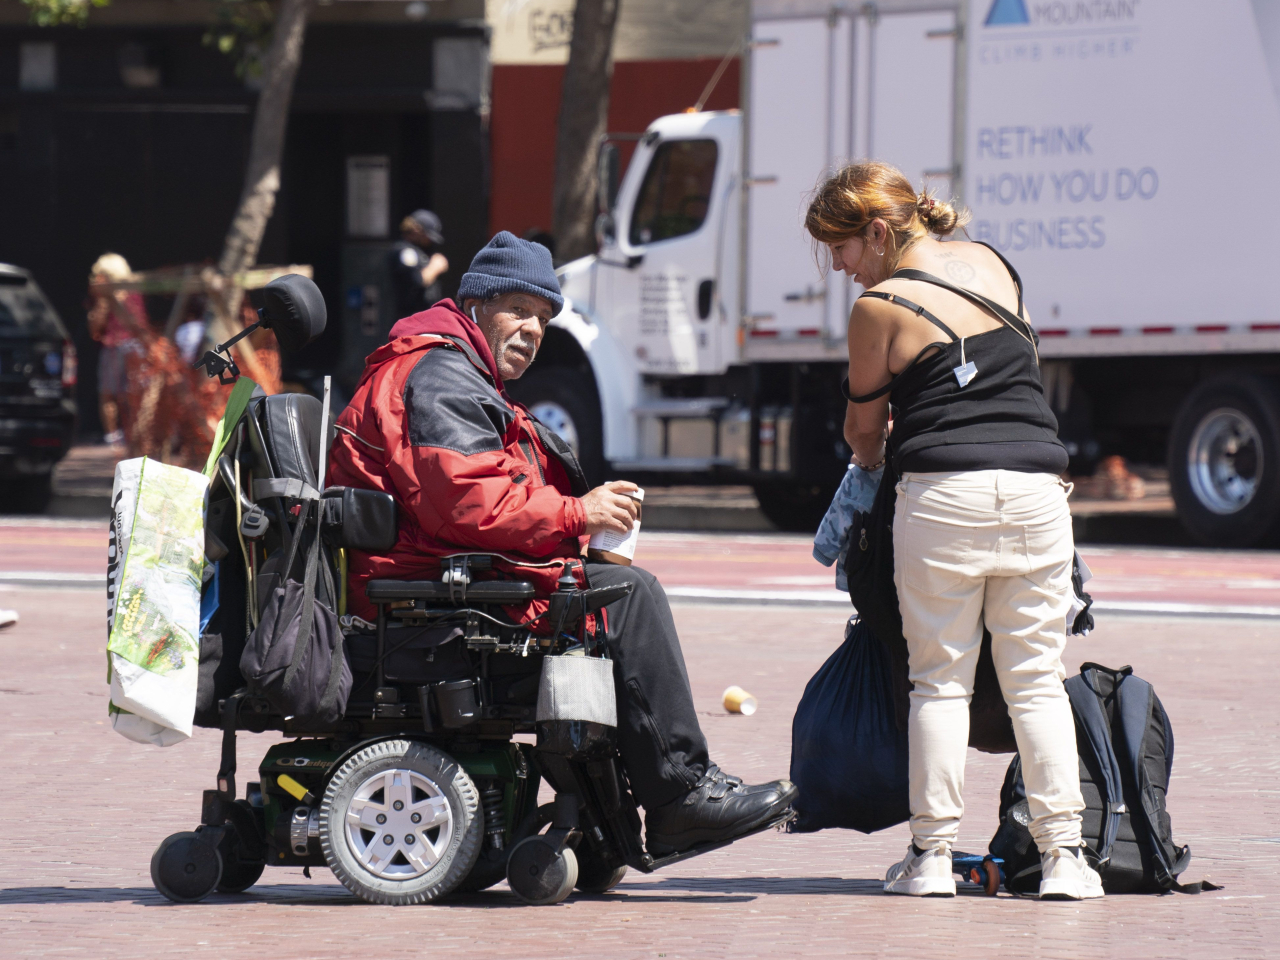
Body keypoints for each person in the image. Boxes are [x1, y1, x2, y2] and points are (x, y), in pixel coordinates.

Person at [329, 231, 796, 853]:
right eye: (517, 310)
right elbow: (468, 504)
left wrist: (577, 529)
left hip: (445, 586)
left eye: (544, 317)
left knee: (609, 589)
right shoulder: (440, 376)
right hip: (423, 611)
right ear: (474, 305)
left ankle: (641, 805)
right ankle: (681, 795)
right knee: (627, 596)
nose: (532, 328)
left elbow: (474, 502)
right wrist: (579, 512)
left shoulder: (454, 372)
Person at [804, 162, 1102, 901]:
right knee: (1037, 682)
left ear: (878, 232)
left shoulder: (881, 307)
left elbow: (864, 429)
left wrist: (867, 469)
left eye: (840, 248)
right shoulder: (996, 265)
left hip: (943, 497)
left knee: (939, 682)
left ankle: (932, 858)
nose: (839, 267)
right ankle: (1067, 859)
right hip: (1040, 493)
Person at [86, 253, 144, 446]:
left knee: (133, 394)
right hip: (111, 346)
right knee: (108, 393)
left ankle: (135, 435)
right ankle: (113, 437)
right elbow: (94, 329)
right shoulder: (101, 295)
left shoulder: (131, 290)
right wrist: (103, 303)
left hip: (131, 346)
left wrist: (116, 299)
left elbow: (136, 323)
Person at [390, 209, 450, 319]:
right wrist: (435, 267)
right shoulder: (404, 250)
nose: (429, 241)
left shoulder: (418, 251)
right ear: (417, 230)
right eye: (428, 236)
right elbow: (416, 280)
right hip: (410, 319)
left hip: (423, 318)